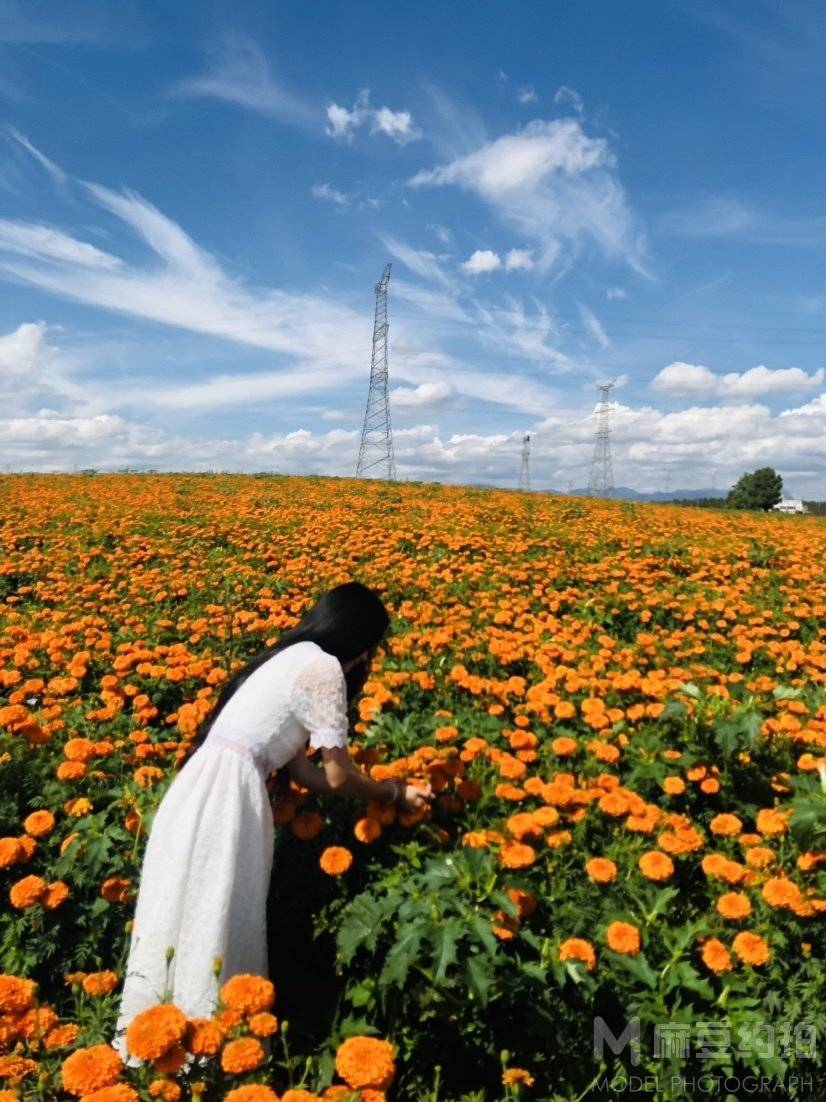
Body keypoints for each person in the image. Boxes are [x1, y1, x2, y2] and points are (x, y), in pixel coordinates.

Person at [113, 581, 431, 1057]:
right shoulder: (324, 669)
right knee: (216, 917)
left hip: (199, 788)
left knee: (180, 916)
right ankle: (209, 1050)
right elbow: (340, 776)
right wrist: (393, 790)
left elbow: (301, 768)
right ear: (363, 642)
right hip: (229, 800)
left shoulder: (293, 653)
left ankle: (159, 1049)